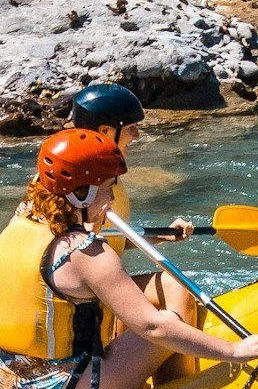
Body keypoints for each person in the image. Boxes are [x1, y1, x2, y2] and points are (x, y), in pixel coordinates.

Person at [0, 128, 258, 389]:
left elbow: (73, 258)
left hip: (7, 380)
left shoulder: (26, 216)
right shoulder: (87, 254)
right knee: (170, 324)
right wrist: (234, 351)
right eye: (108, 187)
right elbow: (152, 327)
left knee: (169, 289)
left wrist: (159, 238)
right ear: (81, 194)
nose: (111, 197)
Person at [67, 80, 203, 326]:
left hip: (105, 286)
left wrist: (163, 235)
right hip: (80, 300)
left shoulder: (106, 177)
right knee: (177, 288)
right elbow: (82, 250)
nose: (137, 135)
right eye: (130, 127)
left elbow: (108, 237)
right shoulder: (77, 185)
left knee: (176, 285)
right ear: (106, 131)